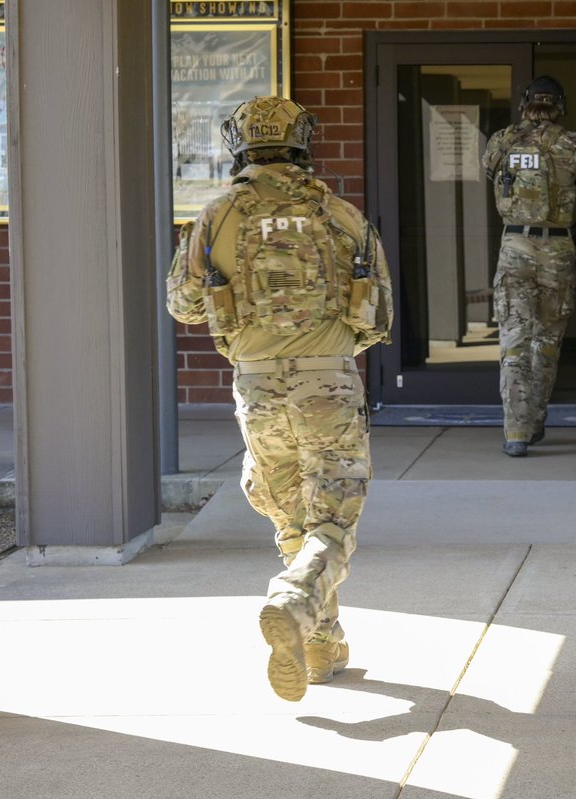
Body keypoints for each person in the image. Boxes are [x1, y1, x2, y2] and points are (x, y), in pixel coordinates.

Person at [165, 96, 393, 703]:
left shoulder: (215, 217)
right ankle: (296, 603)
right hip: (329, 381)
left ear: (240, 144)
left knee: (290, 512)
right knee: (332, 517)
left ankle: (321, 644)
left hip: (257, 384)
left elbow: (183, 305)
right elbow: (379, 318)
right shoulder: (342, 216)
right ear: (301, 144)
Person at [481, 76, 576, 457]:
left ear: (524, 104)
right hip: (555, 249)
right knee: (546, 342)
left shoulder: (501, 141)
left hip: (513, 246)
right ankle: (535, 417)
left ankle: (516, 431)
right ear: (560, 106)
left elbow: (491, 173)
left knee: (513, 340)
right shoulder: (569, 143)